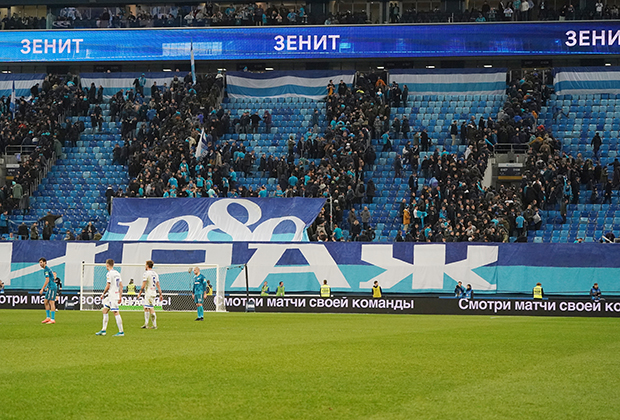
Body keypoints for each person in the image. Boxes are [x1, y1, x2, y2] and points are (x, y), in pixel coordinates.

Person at [95, 259, 124, 336]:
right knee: (104, 310)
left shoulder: (109, 274)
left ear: (107, 265)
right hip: (114, 295)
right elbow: (121, 285)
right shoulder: (117, 273)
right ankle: (103, 330)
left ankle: (121, 332)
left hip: (113, 296)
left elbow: (108, 285)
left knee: (115, 312)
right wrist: (120, 296)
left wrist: (103, 294)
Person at [137, 260, 163, 329]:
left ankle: (154, 325)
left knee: (150, 308)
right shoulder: (155, 273)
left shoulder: (146, 273)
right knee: (146, 307)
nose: (145, 266)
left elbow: (143, 284)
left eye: (145, 265)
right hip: (153, 292)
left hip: (149, 292)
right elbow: (158, 284)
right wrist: (160, 294)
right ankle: (146, 324)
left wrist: (139, 293)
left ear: (147, 266)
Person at [39, 257, 57, 324]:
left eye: (41, 262)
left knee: (51, 302)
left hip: (52, 287)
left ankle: (52, 319)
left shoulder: (46, 270)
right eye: (39, 263)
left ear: (45, 262)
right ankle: (48, 317)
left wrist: (42, 288)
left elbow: (47, 279)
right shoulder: (47, 269)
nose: (40, 264)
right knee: (45, 301)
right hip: (50, 287)